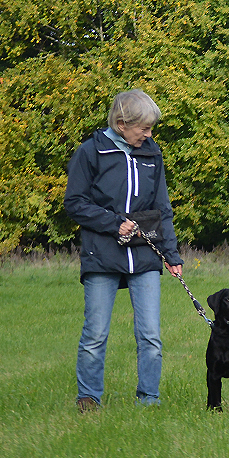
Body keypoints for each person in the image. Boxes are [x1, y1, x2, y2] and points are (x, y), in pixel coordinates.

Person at [65, 89, 184, 412]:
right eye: (143, 128)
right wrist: (112, 222)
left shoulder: (151, 152)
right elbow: (74, 203)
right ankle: (88, 398)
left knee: (150, 336)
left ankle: (149, 400)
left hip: (145, 254)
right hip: (101, 254)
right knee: (95, 335)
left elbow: (163, 208)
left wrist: (172, 256)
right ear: (121, 124)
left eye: (150, 129)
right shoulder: (90, 152)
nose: (149, 134)